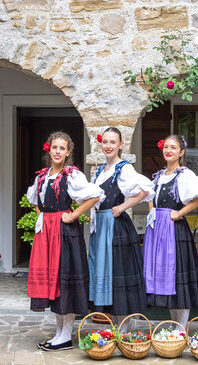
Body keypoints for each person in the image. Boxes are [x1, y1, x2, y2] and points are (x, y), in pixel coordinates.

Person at [27, 131, 102, 352]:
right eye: (54, 147)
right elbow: (35, 200)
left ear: (68, 152)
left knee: (64, 282)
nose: (58, 151)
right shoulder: (42, 176)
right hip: (46, 235)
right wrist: (44, 216)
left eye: (62, 148)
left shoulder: (72, 175)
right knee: (53, 282)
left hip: (65, 234)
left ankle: (65, 335)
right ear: (48, 150)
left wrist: (73, 215)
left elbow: (94, 196)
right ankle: (60, 333)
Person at [142, 135, 198, 331]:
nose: (168, 150)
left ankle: (180, 328)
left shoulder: (184, 175)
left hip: (175, 232)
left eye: (173, 147)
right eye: (166, 147)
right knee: (166, 278)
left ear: (181, 152)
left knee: (178, 279)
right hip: (157, 230)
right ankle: (175, 326)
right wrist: (152, 209)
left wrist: (180, 212)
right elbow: (149, 194)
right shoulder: (159, 176)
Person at [87, 127, 153, 325]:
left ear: (120, 145)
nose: (108, 146)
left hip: (115, 227)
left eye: (112, 142)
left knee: (118, 274)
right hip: (101, 227)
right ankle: (115, 328)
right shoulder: (101, 170)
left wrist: (123, 207)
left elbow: (146, 188)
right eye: (105, 142)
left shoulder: (124, 168)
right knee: (105, 273)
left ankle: (123, 330)